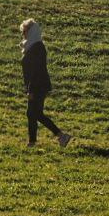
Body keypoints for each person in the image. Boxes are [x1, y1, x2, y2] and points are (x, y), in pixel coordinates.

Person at [21, 18, 71, 148]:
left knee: (35, 113)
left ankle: (61, 135)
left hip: (38, 85)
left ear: (32, 32)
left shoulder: (37, 47)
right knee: (32, 113)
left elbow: (35, 71)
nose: (23, 34)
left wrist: (30, 90)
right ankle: (32, 142)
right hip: (36, 85)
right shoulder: (32, 45)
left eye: (25, 31)